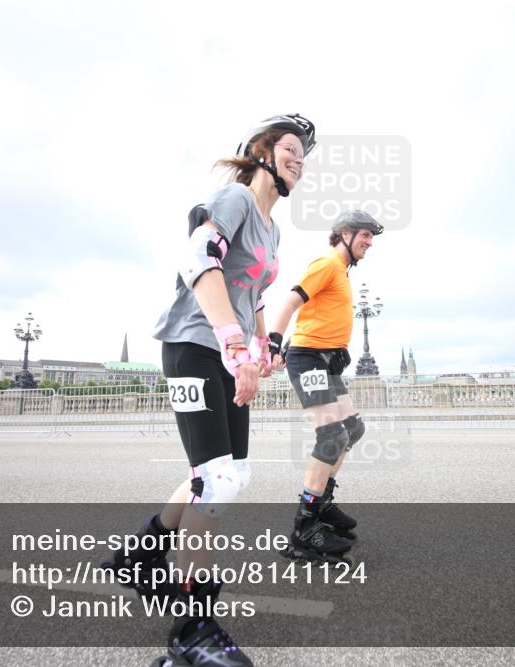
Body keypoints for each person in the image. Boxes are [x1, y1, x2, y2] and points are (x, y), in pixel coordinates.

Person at [103, 114, 316, 667]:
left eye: (304, 154)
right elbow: (199, 258)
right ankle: (190, 626)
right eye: (292, 148)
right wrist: (235, 344)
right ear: (263, 152)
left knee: (226, 474)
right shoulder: (235, 199)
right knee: (216, 478)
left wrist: (265, 344)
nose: (300, 159)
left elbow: (257, 293)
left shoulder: (272, 229)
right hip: (194, 344)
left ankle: (142, 553)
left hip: (229, 352)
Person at [265, 209, 383, 563]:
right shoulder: (328, 263)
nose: (369, 242)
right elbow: (291, 300)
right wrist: (274, 344)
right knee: (331, 437)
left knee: (352, 428)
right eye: (365, 234)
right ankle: (304, 530)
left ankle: (323, 502)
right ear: (344, 233)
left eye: (371, 237)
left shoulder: (342, 272)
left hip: (325, 360)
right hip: (309, 359)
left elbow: (318, 316)